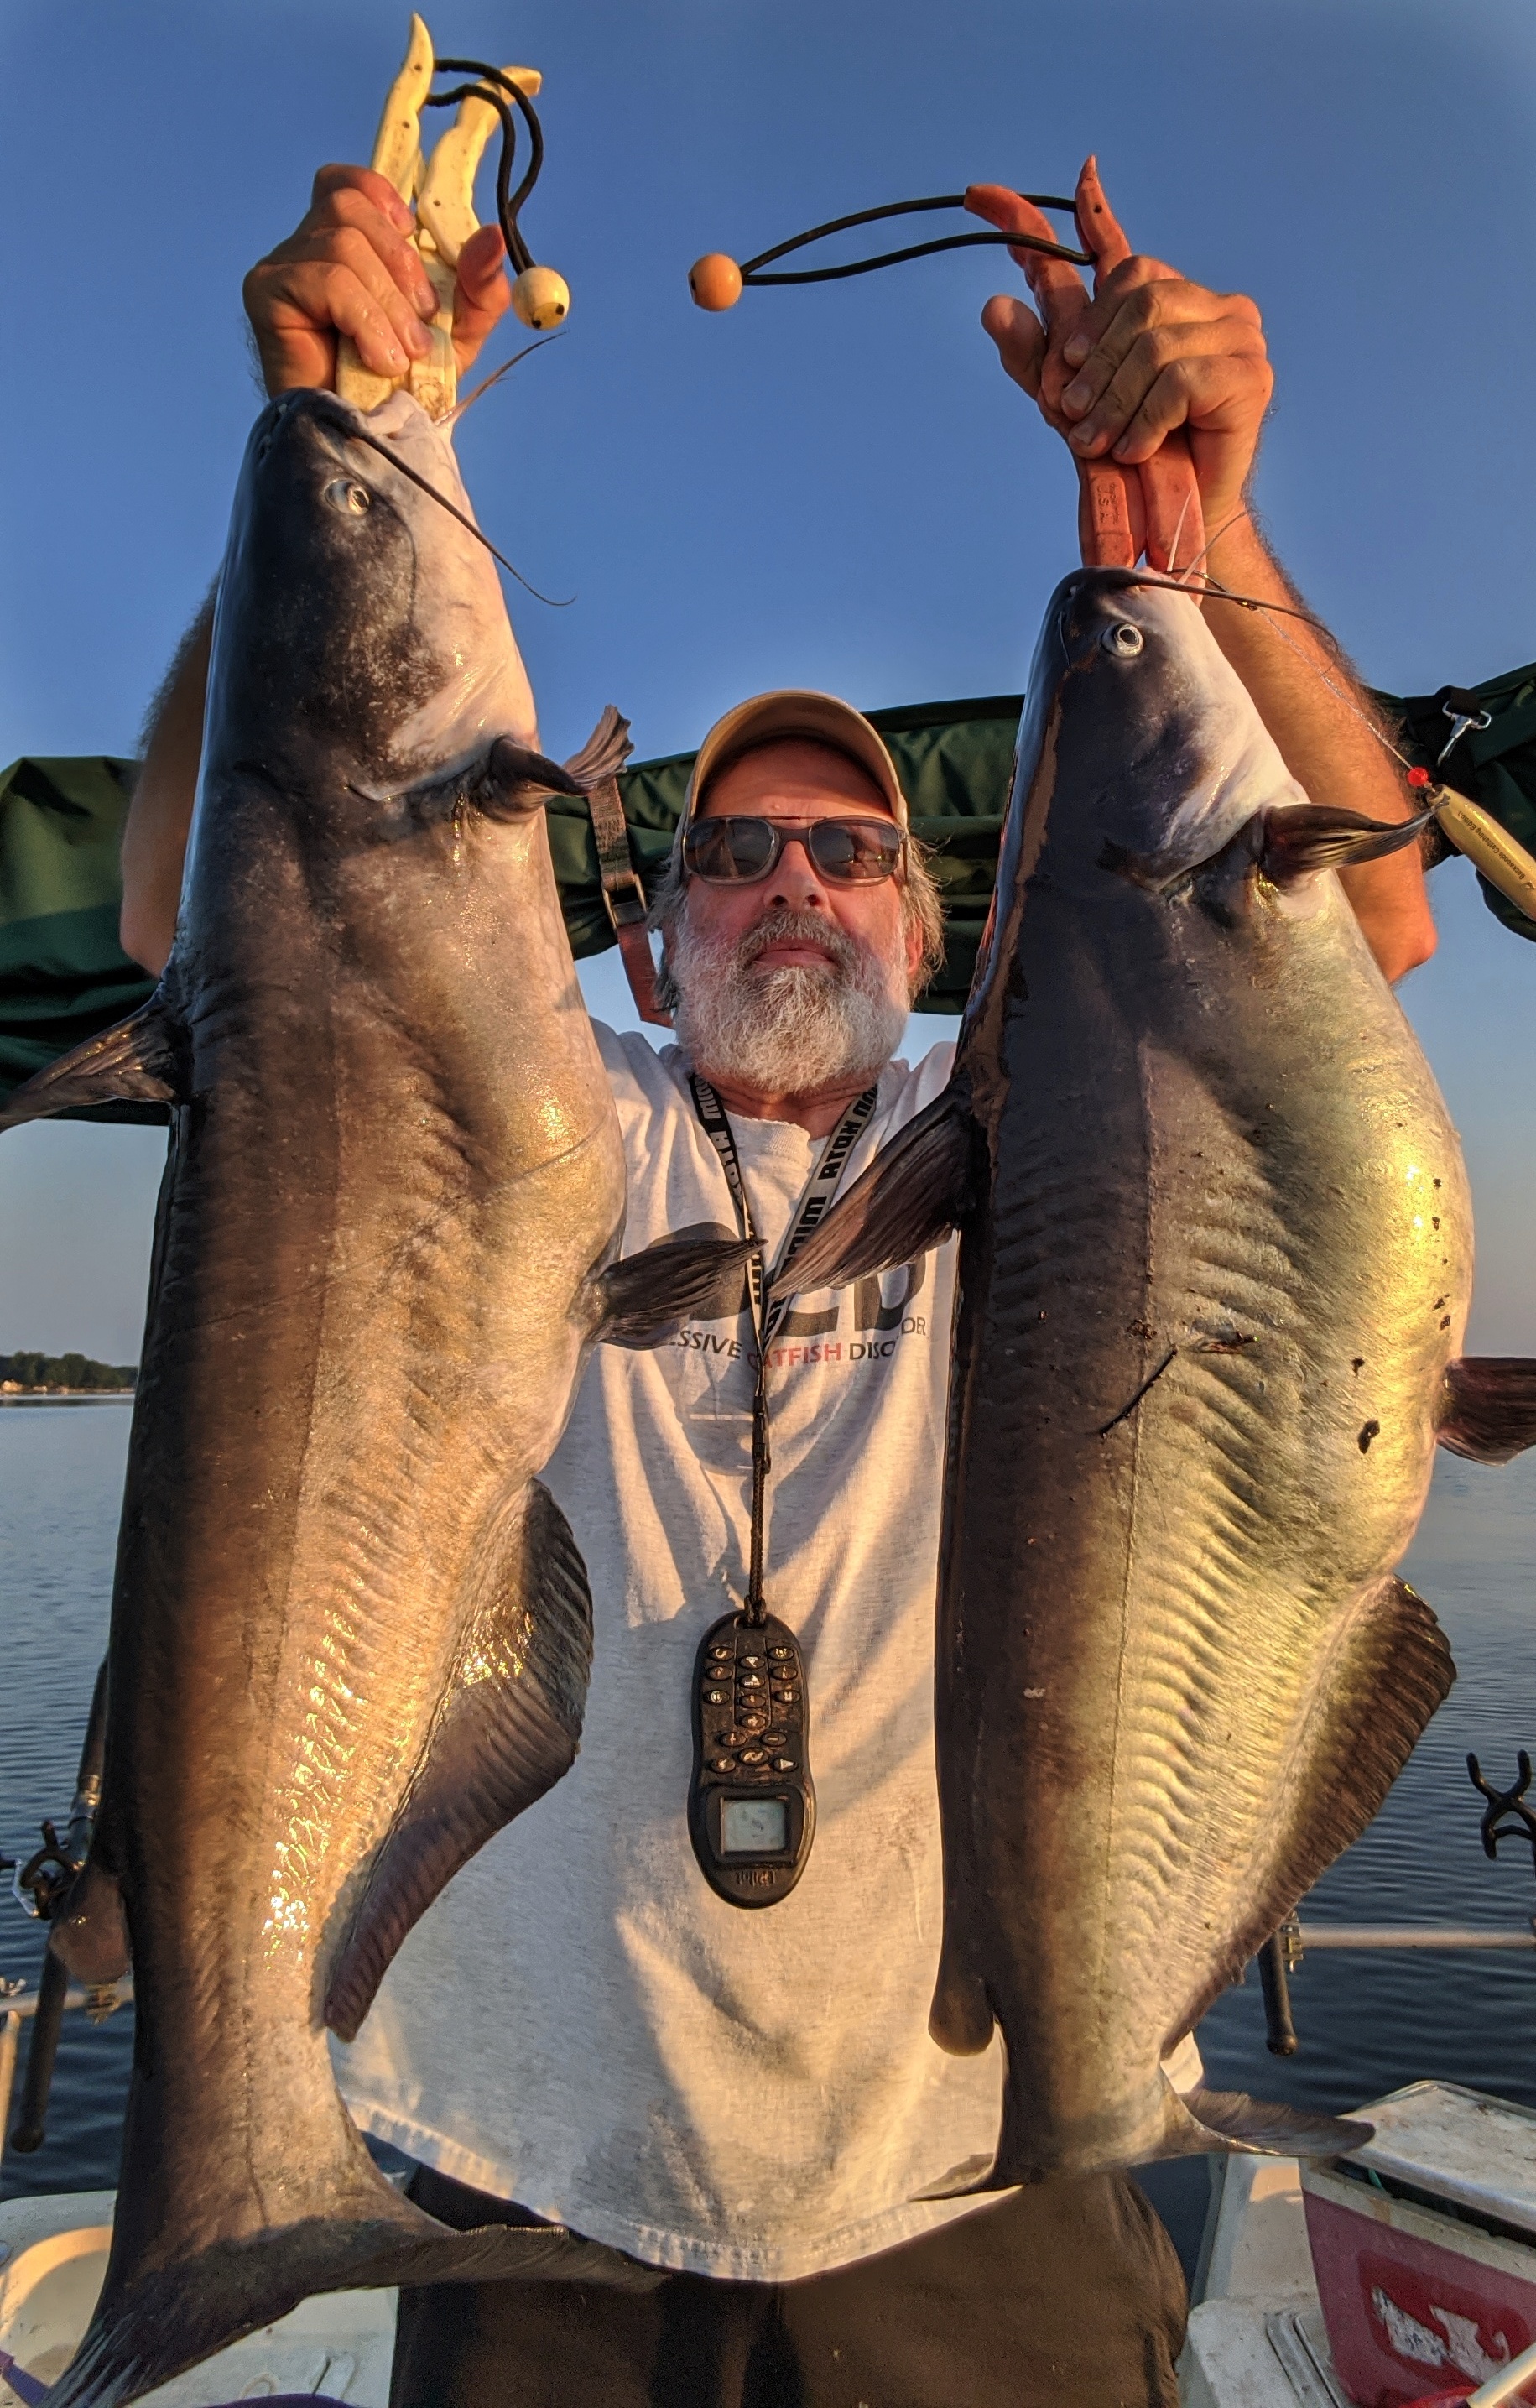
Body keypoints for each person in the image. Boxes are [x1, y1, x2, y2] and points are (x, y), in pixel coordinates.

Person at [118, 162, 1435, 2408]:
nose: (794, 886)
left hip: (974, 2186)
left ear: (942, 940)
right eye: (735, 852)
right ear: (645, 928)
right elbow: (206, 910)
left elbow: (1354, 932)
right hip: (530, 2191)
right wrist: (321, 471)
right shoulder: (546, 1113)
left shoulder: (1053, 1137)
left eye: (852, 849)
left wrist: (1206, 526)